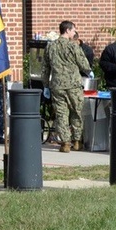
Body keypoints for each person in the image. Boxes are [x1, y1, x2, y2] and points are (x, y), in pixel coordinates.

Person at [42, 21, 92, 153]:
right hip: (73, 85)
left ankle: (65, 143)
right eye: (73, 30)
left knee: (61, 114)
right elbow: (84, 64)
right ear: (68, 30)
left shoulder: (50, 46)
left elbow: (45, 68)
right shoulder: (73, 46)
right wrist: (89, 71)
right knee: (76, 112)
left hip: (57, 85)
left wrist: (46, 85)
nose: (74, 32)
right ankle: (77, 141)